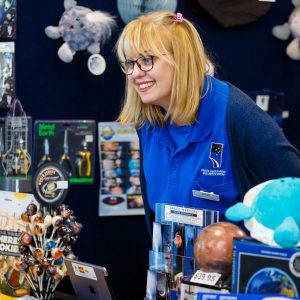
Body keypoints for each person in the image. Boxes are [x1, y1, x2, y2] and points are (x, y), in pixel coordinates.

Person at [115, 11, 300, 235]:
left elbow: (293, 189)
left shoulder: (236, 114)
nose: (134, 74)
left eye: (146, 60)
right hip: (171, 266)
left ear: (181, 59)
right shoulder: (147, 123)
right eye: (129, 64)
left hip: (235, 267)